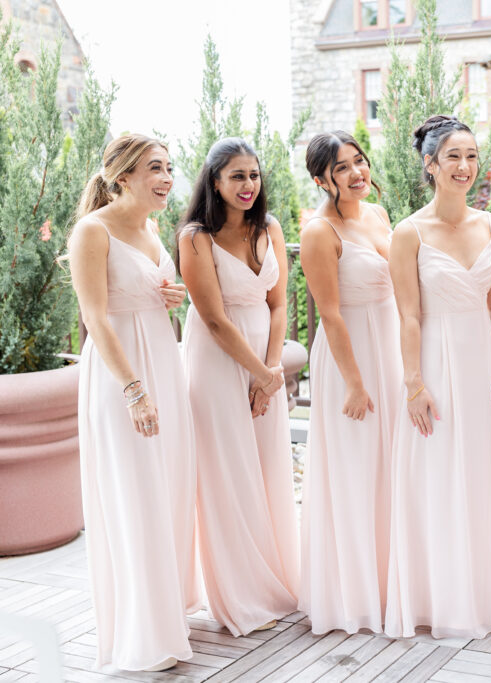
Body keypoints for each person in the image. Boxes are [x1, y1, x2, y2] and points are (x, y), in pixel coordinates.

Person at [385, 115, 491, 639]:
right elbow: (408, 315)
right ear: (431, 165)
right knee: (438, 475)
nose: (465, 166)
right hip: (436, 362)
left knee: (481, 472)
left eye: (471, 156)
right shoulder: (408, 232)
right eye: (453, 157)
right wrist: (414, 384)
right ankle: (438, 596)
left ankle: (482, 590)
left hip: (481, 360)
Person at [69, 134, 197, 672]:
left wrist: (172, 296)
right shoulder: (91, 232)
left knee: (164, 490)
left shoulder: (150, 228)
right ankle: (141, 632)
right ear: (122, 176)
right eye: (154, 168)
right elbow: (96, 318)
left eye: (169, 167)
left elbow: (148, 293)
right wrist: (133, 390)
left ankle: (166, 613)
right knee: (134, 495)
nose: (167, 178)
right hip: (122, 375)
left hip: (163, 362)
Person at [177, 137, 299, 636]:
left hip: (261, 364)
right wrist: (262, 373)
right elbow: (213, 319)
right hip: (217, 361)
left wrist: (270, 372)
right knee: (227, 474)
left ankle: (275, 580)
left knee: (268, 467)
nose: (248, 185)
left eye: (254, 175)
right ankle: (239, 595)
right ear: (214, 182)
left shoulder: (268, 227)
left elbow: (277, 304)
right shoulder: (195, 237)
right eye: (236, 177)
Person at [298, 131, 400, 635]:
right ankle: (354, 594)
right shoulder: (320, 231)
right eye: (342, 168)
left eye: (359, 161)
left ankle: (390, 583)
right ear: (322, 179)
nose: (357, 172)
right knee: (357, 470)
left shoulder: (378, 216)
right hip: (350, 358)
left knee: (390, 467)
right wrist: (355, 384)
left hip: (389, 346)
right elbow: (331, 317)